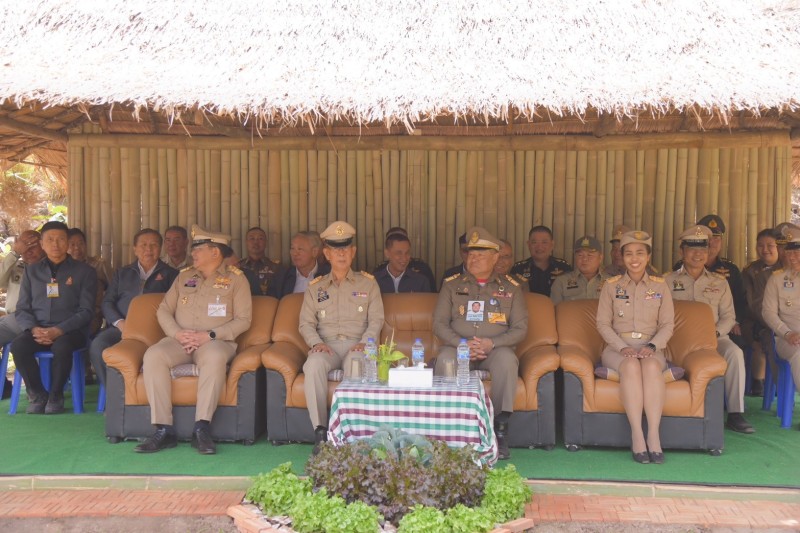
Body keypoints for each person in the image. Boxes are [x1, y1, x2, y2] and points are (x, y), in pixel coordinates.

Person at [135, 225, 251, 454]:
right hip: (181, 339)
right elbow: (163, 310)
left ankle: (202, 428)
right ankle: (163, 429)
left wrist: (210, 335)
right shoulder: (184, 276)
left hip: (215, 342)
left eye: (198, 249)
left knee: (215, 358)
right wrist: (177, 333)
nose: (192, 253)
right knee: (154, 355)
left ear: (215, 252)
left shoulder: (236, 279)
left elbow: (244, 320)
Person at [434, 227, 528, 460]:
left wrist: (491, 343)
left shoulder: (512, 288)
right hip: (458, 348)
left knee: (507, 361)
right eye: (470, 253)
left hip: (494, 350)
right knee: (445, 360)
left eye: (480, 254)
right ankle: (450, 428)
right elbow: (439, 324)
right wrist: (461, 343)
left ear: (495, 258)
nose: (473, 259)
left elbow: (520, 328)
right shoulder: (451, 284)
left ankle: (499, 430)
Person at [298, 221, 384, 453]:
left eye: (346, 248)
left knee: (357, 363)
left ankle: (352, 435)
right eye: (336, 249)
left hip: (357, 345)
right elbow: (305, 323)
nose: (342, 254)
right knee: (313, 365)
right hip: (327, 347)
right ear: (327, 254)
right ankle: (320, 431)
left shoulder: (368, 283)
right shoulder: (315, 287)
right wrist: (316, 343)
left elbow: (377, 320)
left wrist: (365, 342)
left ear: (353, 252)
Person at [666, 226, 753, 434]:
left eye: (702, 249)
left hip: (714, 338)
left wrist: (713, 334)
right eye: (692, 249)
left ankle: (735, 413)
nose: (698, 254)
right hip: (677, 339)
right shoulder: (667, 281)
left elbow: (729, 317)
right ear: (682, 251)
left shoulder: (719, 282)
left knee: (735, 353)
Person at [596, 230, 674, 464]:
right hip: (617, 349)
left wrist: (652, 345)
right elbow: (602, 324)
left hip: (651, 347)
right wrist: (622, 347)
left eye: (640, 253)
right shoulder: (611, 286)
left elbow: (668, 325)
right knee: (630, 366)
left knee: (650, 367)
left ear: (648, 257)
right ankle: (637, 435)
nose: (634, 258)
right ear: (622, 257)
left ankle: (653, 435)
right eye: (628, 253)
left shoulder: (660, 286)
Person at [11, 221, 98, 414]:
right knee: (18, 346)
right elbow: (22, 308)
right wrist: (34, 329)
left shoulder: (85, 272)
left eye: (60, 239)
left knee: (62, 346)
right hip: (39, 329)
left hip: (71, 332)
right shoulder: (31, 271)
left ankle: (56, 395)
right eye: (50, 239)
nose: (55, 244)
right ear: (42, 244)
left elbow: (86, 311)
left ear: (67, 243)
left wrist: (59, 330)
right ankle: (38, 394)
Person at [89, 229, 178, 388]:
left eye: (153, 245)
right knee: (98, 346)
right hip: (121, 328)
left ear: (160, 248)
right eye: (143, 245)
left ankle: (138, 392)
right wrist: (120, 323)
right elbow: (107, 302)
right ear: (135, 249)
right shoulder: (122, 273)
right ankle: (115, 393)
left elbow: (175, 306)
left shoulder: (172, 275)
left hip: (156, 331)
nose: (148, 249)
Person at [674, 215, 747, 346]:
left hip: (719, 329)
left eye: (716, 238)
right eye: (708, 239)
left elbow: (739, 302)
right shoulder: (675, 274)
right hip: (683, 333)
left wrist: (733, 323)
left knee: (736, 349)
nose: (712, 242)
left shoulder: (730, 270)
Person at [762, 231, 800, 425]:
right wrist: (787, 333)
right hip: (787, 339)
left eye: (797, 252)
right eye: (789, 252)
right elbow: (768, 313)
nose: (792, 257)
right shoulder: (777, 279)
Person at [0, 230, 44, 397]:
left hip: (33, 320)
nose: (28, 250)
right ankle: (4, 386)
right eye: (24, 246)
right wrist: (14, 253)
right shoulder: (17, 265)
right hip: (12, 321)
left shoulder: (48, 267)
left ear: (43, 245)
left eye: (33, 246)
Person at [742, 228, 781, 396]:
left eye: (770, 245)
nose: (765, 250)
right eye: (760, 245)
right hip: (757, 320)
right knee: (767, 338)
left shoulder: (788, 267)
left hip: (786, 322)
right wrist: (775, 322)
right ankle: (764, 382)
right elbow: (752, 304)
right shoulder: (751, 271)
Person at [511, 225, 572, 296]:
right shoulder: (518, 269)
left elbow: (571, 295)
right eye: (534, 242)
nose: (539, 247)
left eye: (544, 242)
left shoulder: (564, 267)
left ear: (552, 244)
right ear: (528, 244)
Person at [271, 231, 330, 298]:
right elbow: (272, 302)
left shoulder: (329, 275)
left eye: (300, 249)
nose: (295, 253)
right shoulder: (281, 276)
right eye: (292, 248)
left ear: (314, 252)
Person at [550, 236, 608, 305]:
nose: (584, 259)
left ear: (600, 257)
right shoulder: (561, 282)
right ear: (575, 257)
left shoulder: (611, 282)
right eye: (580, 255)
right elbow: (554, 309)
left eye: (589, 255)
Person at [239, 227, 283, 296]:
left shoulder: (276, 267)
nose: (256, 242)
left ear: (266, 242)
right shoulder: (238, 266)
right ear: (246, 242)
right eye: (252, 238)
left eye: (260, 238)